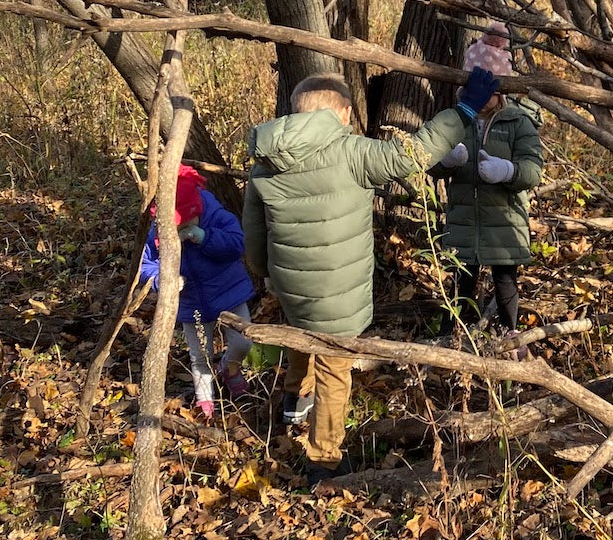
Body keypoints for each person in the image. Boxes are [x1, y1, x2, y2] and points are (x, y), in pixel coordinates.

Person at [243, 66, 499, 480]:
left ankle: (294, 402)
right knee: (334, 367)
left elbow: (253, 229)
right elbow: (411, 155)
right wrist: (464, 109)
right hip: (338, 289)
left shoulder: (266, 160)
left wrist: (265, 272)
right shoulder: (351, 151)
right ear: (343, 114)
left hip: (290, 281)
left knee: (299, 331)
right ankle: (323, 458)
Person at [435, 28, 543, 351]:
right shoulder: (455, 120)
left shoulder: (518, 123)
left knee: (505, 280)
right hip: (464, 219)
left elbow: (532, 170)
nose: (482, 100)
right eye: (474, 91)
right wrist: (448, 161)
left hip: (504, 223)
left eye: (489, 92)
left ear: (502, 90)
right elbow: (428, 162)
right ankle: (455, 335)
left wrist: (507, 170)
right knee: (462, 279)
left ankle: (509, 334)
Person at [140, 164, 255, 419]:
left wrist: (205, 237)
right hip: (191, 300)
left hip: (229, 291)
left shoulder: (213, 213)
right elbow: (145, 264)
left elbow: (237, 243)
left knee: (243, 341)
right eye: (174, 227)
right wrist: (162, 279)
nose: (179, 232)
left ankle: (230, 368)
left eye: (185, 224)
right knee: (200, 355)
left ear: (196, 209)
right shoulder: (158, 231)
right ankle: (205, 403)